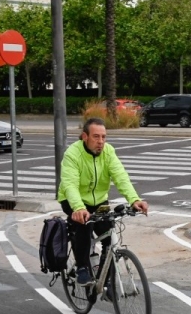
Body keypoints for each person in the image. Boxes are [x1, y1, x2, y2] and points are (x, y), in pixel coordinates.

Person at [57, 118, 149, 285]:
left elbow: (121, 177)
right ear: (85, 136)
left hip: (99, 201)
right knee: (84, 224)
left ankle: (105, 281)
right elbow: (70, 184)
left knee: (109, 235)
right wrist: (78, 208)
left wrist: (134, 199)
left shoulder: (108, 152)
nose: (101, 142)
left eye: (104, 137)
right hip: (73, 200)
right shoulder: (72, 154)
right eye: (96, 137)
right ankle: (82, 267)